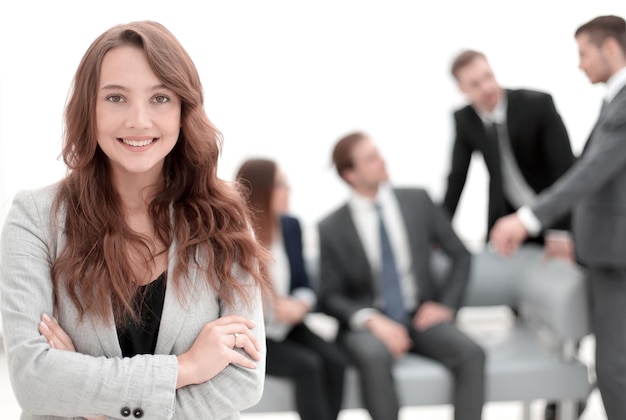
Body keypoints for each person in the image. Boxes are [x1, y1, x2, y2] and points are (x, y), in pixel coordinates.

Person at [0, 21, 271, 420]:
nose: (139, 121)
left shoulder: (224, 217)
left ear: (183, 109)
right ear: (88, 109)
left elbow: (244, 380)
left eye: (160, 98)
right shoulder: (36, 216)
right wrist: (186, 368)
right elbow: (32, 378)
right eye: (115, 98)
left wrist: (93, 406)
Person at [489, 15, 626, 420]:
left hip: (617, 257)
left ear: (612, 49)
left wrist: (528, 218)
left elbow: (591, 172)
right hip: (604, 252)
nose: (579, 64)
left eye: (584, 53)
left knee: (613, 367)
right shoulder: (614, 101)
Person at [317, 131, 485, 420]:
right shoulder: (331, 227)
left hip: (419, 315)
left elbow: (461, 255)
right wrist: (371, 319)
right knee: (372, 357)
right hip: (370, 324)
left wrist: (446, 305)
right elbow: (329, 296)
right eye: (370, 159)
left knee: (472, 354)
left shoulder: (417, 201)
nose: (381, 161)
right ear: (350, 175)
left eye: (377, 153)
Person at [235, 158, 347, 420]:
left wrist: (301, 305)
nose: (289, 189)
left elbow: (303, 283)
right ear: (262, 190)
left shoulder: (290, 226)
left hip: (289, 324)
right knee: (308, 366)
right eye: (281, 184)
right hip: (256, 333)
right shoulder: (239, 235)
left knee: (336, 361)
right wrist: (272, 308)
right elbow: (235, 297)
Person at [442, 49, 576, 260]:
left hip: (558, 214)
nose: (487, 88)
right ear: (461, 89)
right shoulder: (465, 120)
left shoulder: (537, 104)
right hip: (510, 220)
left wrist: (560, 229)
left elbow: (565, 170)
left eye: (488, 76)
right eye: (474, 84)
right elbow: (457, 178)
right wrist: (438, 233)